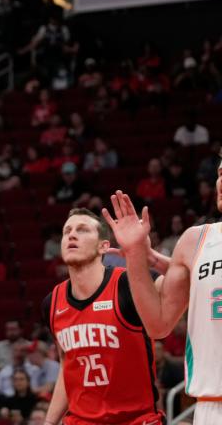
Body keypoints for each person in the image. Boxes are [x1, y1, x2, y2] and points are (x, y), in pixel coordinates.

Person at [103, 155, 222, 425]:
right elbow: (158, 325)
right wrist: (134, 254)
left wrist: (158, 260)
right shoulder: (196, 240)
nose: (221, 181)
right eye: (220, 173)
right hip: (212, 407)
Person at [43, 208, 163, 425]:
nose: (71, 235)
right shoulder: (52, 302)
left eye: (82, 230)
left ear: (104, 246)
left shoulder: (129, 283)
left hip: (136, 420)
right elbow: (67, 367)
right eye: (66, 231)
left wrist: (152, 259)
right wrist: (49, 422)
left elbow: (187, 285)